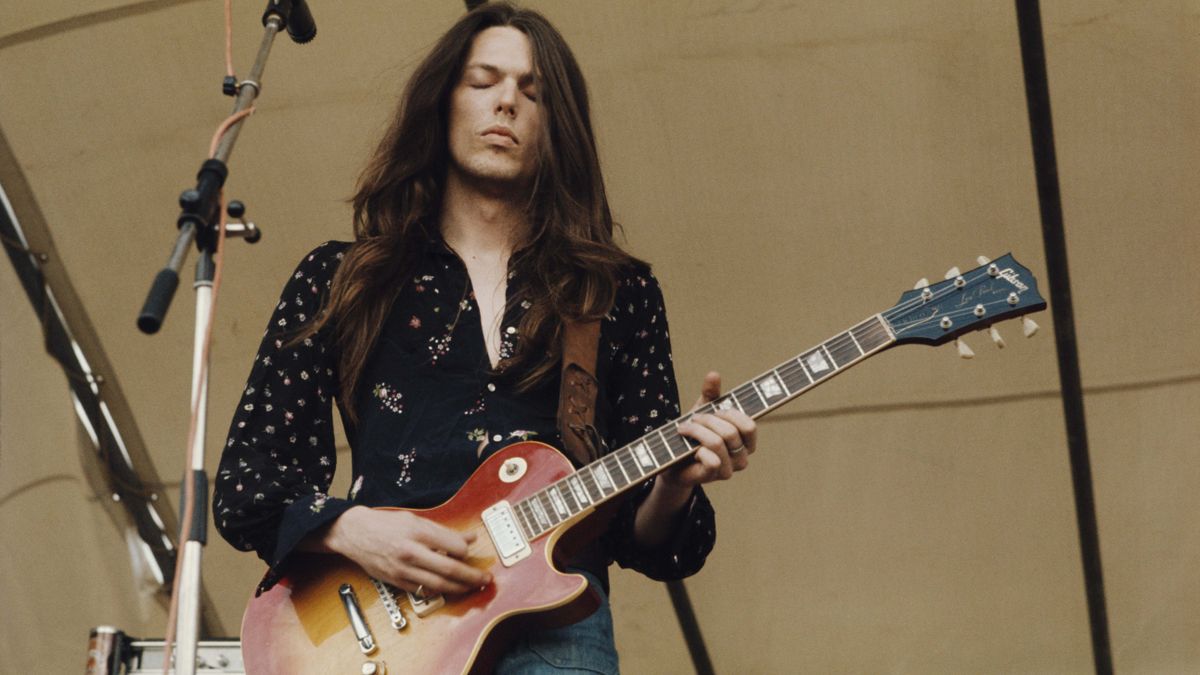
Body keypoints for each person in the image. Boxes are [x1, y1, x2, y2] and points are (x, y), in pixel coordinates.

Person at [214, 3, 756, 672]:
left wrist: (676, 483)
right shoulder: (343, 276)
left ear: (559, 128)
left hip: (557, 634)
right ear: (441, 103)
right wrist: (355, 528)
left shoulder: (614, 292)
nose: (507, 102)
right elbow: (248, 481)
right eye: (484, 81)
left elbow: (656, 544)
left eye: (534, 92)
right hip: (381, 626)